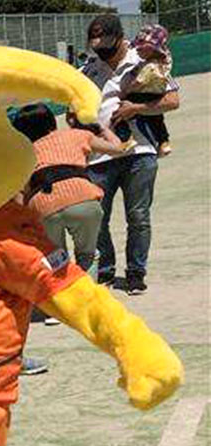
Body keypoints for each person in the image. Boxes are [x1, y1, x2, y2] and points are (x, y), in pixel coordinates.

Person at [82, 14, 180, 295]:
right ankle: (105, 270)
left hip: (140, 153)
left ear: (118, 36)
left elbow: (172, 100)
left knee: (138, 217)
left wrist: (136, 109)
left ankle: (136, 273)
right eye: (94, 40)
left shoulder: (144, 59)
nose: (99, 44)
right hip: (100, 157)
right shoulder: (87, 71)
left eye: (104, 38)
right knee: (96, 217)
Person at [10, 104, 127, 276]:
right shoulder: (77, 135)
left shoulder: (22, 154)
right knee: (88, 255)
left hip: (42, 205)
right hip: (82, 198)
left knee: (57, 262)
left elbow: (18, 195)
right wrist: (100, 127)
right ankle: (88, 298)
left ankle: (64, 298)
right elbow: (119, 148)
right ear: (52, 122)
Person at [115, 25, 174, 156]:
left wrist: (124, 93)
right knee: (157, 118)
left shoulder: (149, 67)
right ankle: (164, 141)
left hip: (142, 94)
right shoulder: (163, 60)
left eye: (141, 46)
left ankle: (126, 137)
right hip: (156, 93)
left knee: (119, 112)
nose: (137, 48)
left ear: (152, 49)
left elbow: (137, 83)